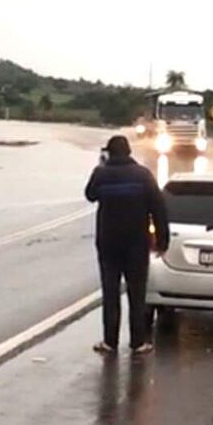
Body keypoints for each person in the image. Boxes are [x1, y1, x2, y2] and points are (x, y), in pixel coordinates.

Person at [85, 135, 170, 357]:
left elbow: (90, 195)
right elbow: (158, 208)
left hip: (108, 243)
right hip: (136, 243)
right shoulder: (143, 175)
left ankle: (110, 341)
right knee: (137, 293)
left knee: (110, 293)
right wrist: (162, 240)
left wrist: (101, 166)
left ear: (109, 153)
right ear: (129, 152)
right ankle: (138, 342)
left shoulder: (101, 174)